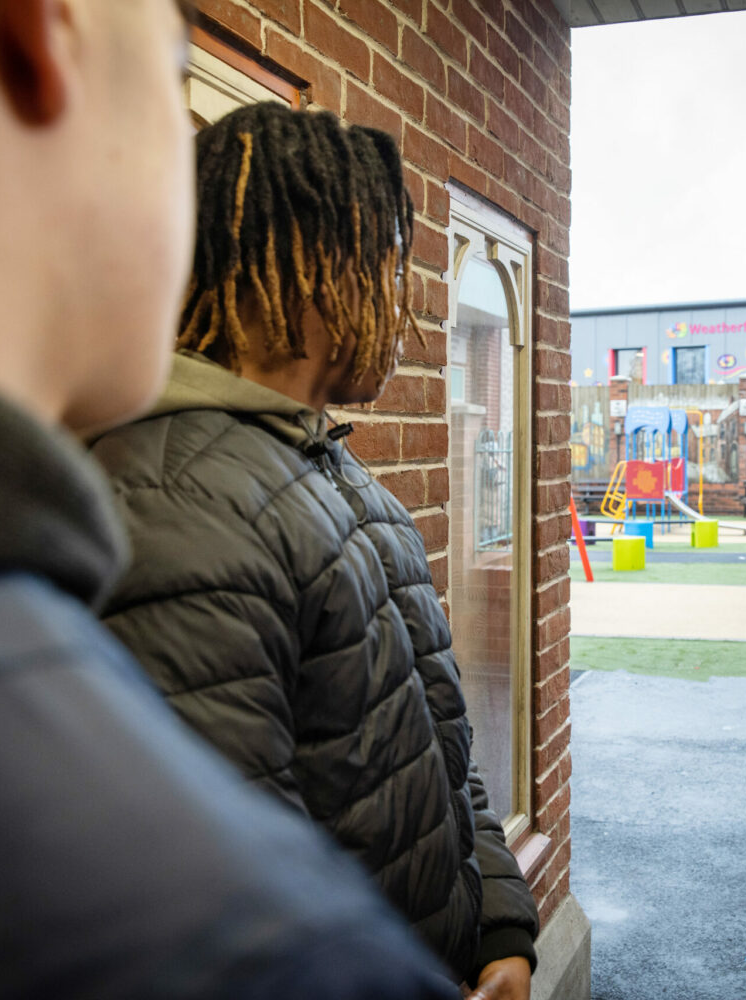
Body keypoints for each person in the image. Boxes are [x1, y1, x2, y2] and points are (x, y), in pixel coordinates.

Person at [0, 3, 459, 997]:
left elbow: (436, 737)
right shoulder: (258, 941)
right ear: (44, 29)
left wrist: (495, 918)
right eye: (172, 69)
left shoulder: (334, 473)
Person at [89, 101, 540, 1000]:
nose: (402, 301)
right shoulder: (174, 506)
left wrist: (499, 926)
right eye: (383, 263)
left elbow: (445, 757)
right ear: (300, 272)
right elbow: (226, 903)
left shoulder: (340, 478)